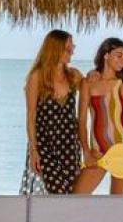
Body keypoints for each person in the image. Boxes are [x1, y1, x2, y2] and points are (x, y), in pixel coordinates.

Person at [73, 37, 123, 195]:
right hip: (97, 151)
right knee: (77, 197)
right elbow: (81, 120)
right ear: (105, 55)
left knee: (117, 202)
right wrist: (86, 151)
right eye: (119, 55)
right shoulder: (88, 83)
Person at [22, 30, 84, 194]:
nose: (72, 49)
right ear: (55, 48)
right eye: (68, 46)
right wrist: (33, 150)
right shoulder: (37, 77)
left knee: (71, 192)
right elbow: (30, 116)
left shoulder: (74, 76)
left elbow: (92, 98)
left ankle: (61, 220)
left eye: (72, 46)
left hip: (70, 147)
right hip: (45, 146)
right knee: (57, 191)